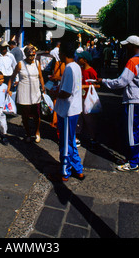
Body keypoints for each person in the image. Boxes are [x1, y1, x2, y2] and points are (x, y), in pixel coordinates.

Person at [97, 35, 139, 172]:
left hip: (133, 100)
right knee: (133, 130)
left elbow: (121, 82)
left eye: (127, 46)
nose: (125, 48)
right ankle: (131, 158)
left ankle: (133, 162)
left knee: (131, 132)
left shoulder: (133, 61)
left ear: (132, 46)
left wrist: (104, 81)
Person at [53, 40, 84, 182]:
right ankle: (78, 168)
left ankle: (65, 171)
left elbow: (66, 92)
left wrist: (54, 94)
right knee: (70, 140)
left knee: (65, 142)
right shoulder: (76, 67)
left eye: (60, 52)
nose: (58, 54)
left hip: (67, 110)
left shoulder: (70, 68)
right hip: (73, 109)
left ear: (64, 53)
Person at [8, 44, 45, 143]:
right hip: (24, 93)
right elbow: (12, 77)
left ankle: (37, 132)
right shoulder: (20, 64)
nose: (31, 58)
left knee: (37, 114)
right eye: (29, 56)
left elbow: (40, 77)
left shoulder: (37, 63)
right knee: (25, 115)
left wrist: (43, 87)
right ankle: (28, 133)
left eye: (33, 56)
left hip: (35, 92)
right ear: (25, 55)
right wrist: (9, 89)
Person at [77, 51, 100, 147]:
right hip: (79, 97)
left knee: (89, 119)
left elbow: (98, 85)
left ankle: (93, 137)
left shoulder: (91, 71)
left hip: (87, 99)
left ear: (85, 60)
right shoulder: (80, 70)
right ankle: (77, 137)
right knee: (78, 118)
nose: (78, 60)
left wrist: (84, 86)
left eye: (80, 58)